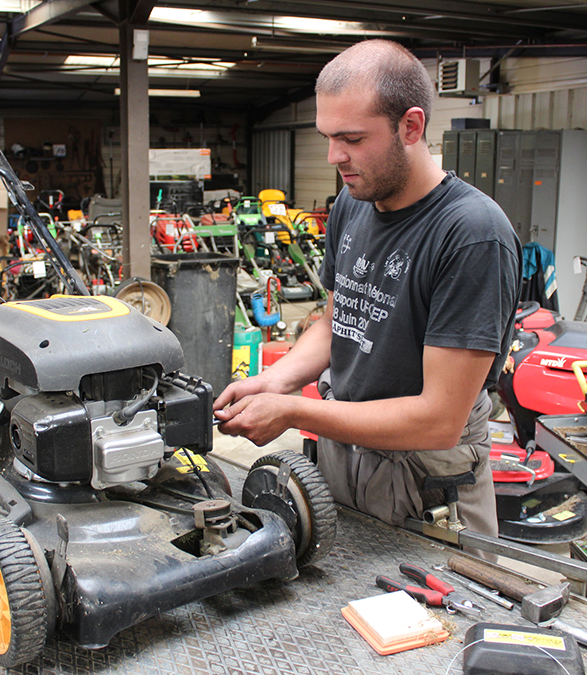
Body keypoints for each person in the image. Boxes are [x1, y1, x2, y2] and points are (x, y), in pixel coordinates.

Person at [213, 39, 521, 555]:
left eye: (353, 138)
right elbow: (339, 322)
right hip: (343, 450)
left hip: (426, 479)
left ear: (412, 127)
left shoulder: (471, 235)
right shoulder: (354, 204)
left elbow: (439, 418)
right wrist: (274, 381)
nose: (336, 157)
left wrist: (292, 412)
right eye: (329, 137)